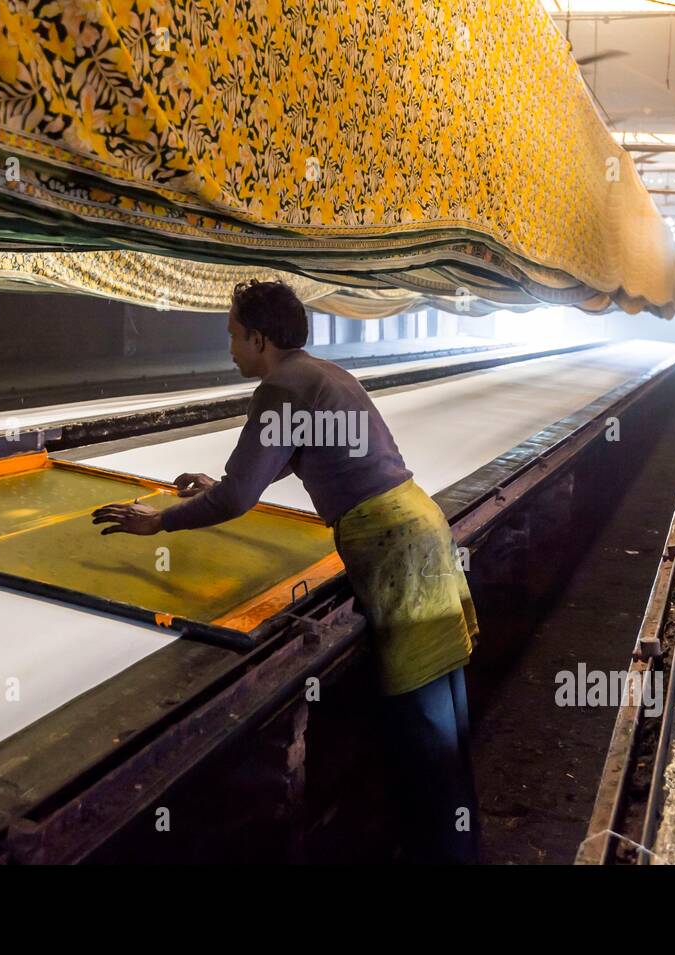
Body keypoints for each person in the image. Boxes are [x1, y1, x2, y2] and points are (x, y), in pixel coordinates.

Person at [91, 279, 480, 863]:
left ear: (259, 337)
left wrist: (161, 523)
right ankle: (458, 842)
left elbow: (237, 499)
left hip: (393, 545)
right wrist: (221, 484)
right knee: (446, 704)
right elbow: (271, 464)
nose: (229, 349)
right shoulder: (323, 374)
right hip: (421, 525)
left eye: (232, 336)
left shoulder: (277, 389)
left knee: (423, 726)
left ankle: (445, 856)